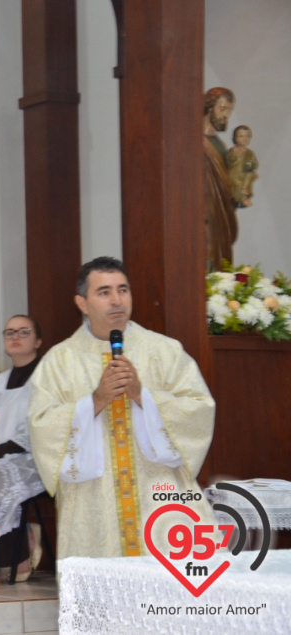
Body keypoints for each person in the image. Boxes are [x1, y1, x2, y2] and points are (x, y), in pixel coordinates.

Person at [27, 257, 217, 560]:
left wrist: (143, 396)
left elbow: (199, 408)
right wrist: (96, 400)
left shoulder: (164, 351)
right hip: (93, 502)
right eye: (104, 292)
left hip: (160, 497)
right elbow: (41, 424)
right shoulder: (60, 361)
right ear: (82, 302)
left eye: (123, 290)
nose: (116, 300)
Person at [0, 315, 46, 581]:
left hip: (37, 456)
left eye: (24, 332)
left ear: (38, 341)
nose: (15, 337)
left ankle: (19, 557)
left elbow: (41, 420)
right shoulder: (0, 381)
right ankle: (9, 548)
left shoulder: (46, 375)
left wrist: (4, 452)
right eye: (9, 332)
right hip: (3, 454)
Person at [203, 87, 238, 269]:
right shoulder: (198, 142)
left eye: (229, 110)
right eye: (222, 109)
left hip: (221, 212)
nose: (226, 115)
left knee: (220, 256)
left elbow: (226, 179)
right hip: (205, 213)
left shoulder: (219, 143)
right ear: (210, 107)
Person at [227, 125, 258, 209]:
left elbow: (249, 170)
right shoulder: (230, 151)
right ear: (235, 137)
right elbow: (227, 162)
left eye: (248, 136)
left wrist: (245, 185)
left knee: (241, 187)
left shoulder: (249, 154)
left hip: (243, 177)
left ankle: (242, 200)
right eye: (241, 136)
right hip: (231, 177)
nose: (245, 139)